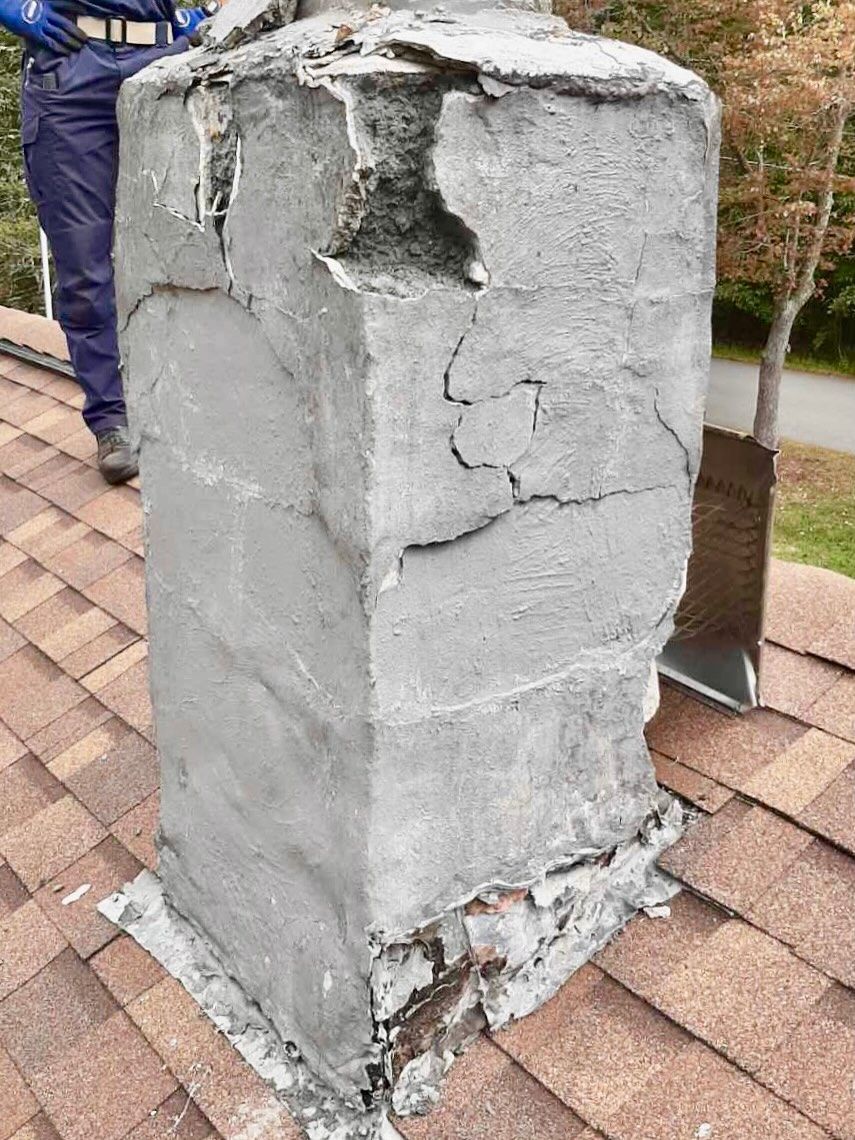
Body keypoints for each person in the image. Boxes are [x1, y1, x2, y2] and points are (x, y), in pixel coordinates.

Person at [1, 0, 218, 483]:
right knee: (85, 266)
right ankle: (111, 419)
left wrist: (207, 13)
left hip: (165, 61)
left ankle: (196, 394)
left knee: (189, 245)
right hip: (71, 71)